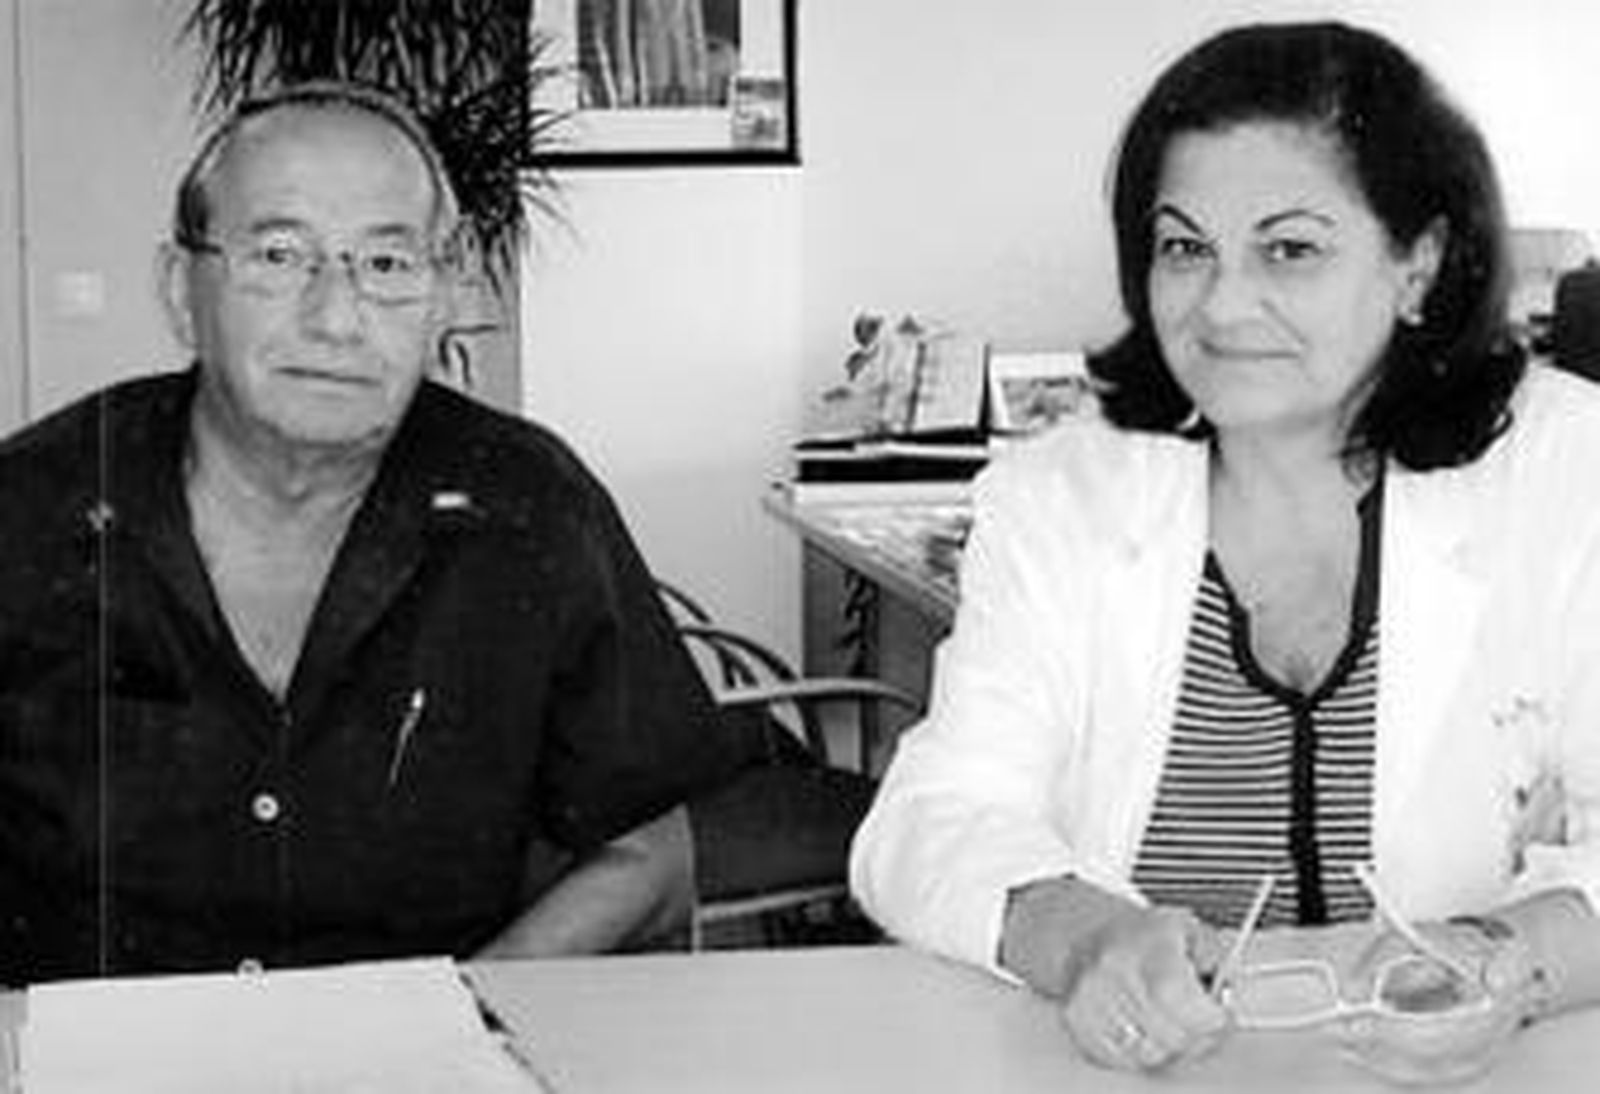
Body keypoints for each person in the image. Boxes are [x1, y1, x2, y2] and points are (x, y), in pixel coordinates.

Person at [850, 21, 1600, 1084]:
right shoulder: (1061, 494)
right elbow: (928, 820)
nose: (1220, 303)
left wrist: (1501, 960)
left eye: (1288, 248)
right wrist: (1085, 937)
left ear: (1417, 266)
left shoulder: (1569, 471)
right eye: (1183, 246)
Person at [0, 82, 747, 984]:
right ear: (180, 288)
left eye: (388, 266)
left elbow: (648, 856)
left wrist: (461, 1016)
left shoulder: (528, 508)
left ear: (442, 298)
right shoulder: (33, 504)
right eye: (280, 255)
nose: (336, 317)